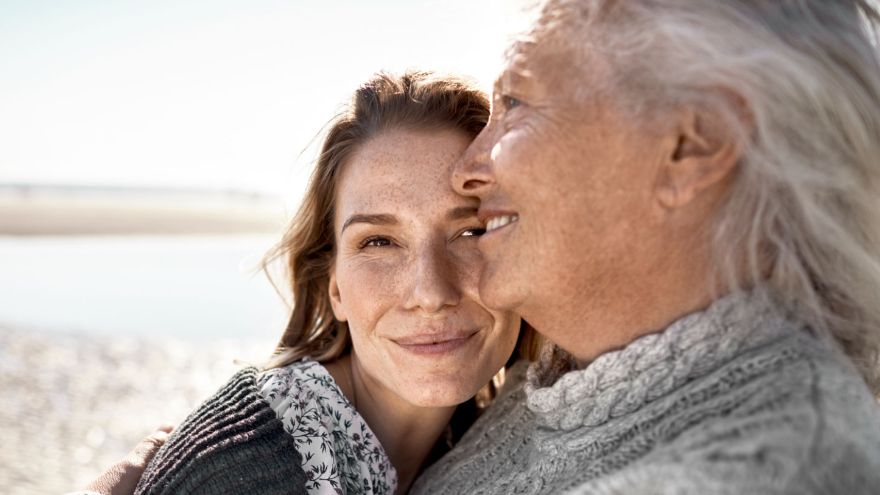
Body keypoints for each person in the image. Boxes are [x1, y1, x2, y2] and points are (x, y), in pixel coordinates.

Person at [409, 0, 880, 494]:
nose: (465, 172)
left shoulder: (755, 473)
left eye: (515, 103)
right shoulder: (547, 384)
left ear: (692, 144)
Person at [79, 71, 529, 495]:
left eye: (472, 231)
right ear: (334, 287)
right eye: (378, 242)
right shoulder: (250, 466)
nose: (430, 293)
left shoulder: (480, 439)